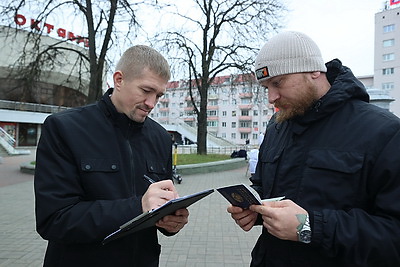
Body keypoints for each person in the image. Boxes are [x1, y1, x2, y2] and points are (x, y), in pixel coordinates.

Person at [227, 31, 400, 266]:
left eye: (277, 82)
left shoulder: (385, 132)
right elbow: (267, 188)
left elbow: (393, 233)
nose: (271, 97)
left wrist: (309, 227)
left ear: (314, 71)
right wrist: (257, 210)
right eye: (266, 86)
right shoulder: (277, 127)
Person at [34, 45, 189, 267]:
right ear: (119, 80)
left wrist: (170, 222)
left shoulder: (160, 138)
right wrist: (138, 207)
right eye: (146, 91)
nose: (152, 104)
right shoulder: (64, 128)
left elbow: (157, 207)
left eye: (158, 95)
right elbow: (54, 220)